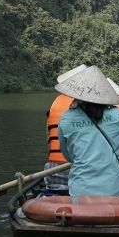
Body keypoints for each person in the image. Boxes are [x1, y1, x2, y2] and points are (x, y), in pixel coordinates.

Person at [57, 65, 119, 197]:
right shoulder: (118, 115)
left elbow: (68, 155)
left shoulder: (66, 118)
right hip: (116, 190)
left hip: (80, 192)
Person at [43, 63, 87, 191]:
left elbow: (49, 141)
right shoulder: (89, 105)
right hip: (80, 175)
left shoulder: (54, 106)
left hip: (52, 172)